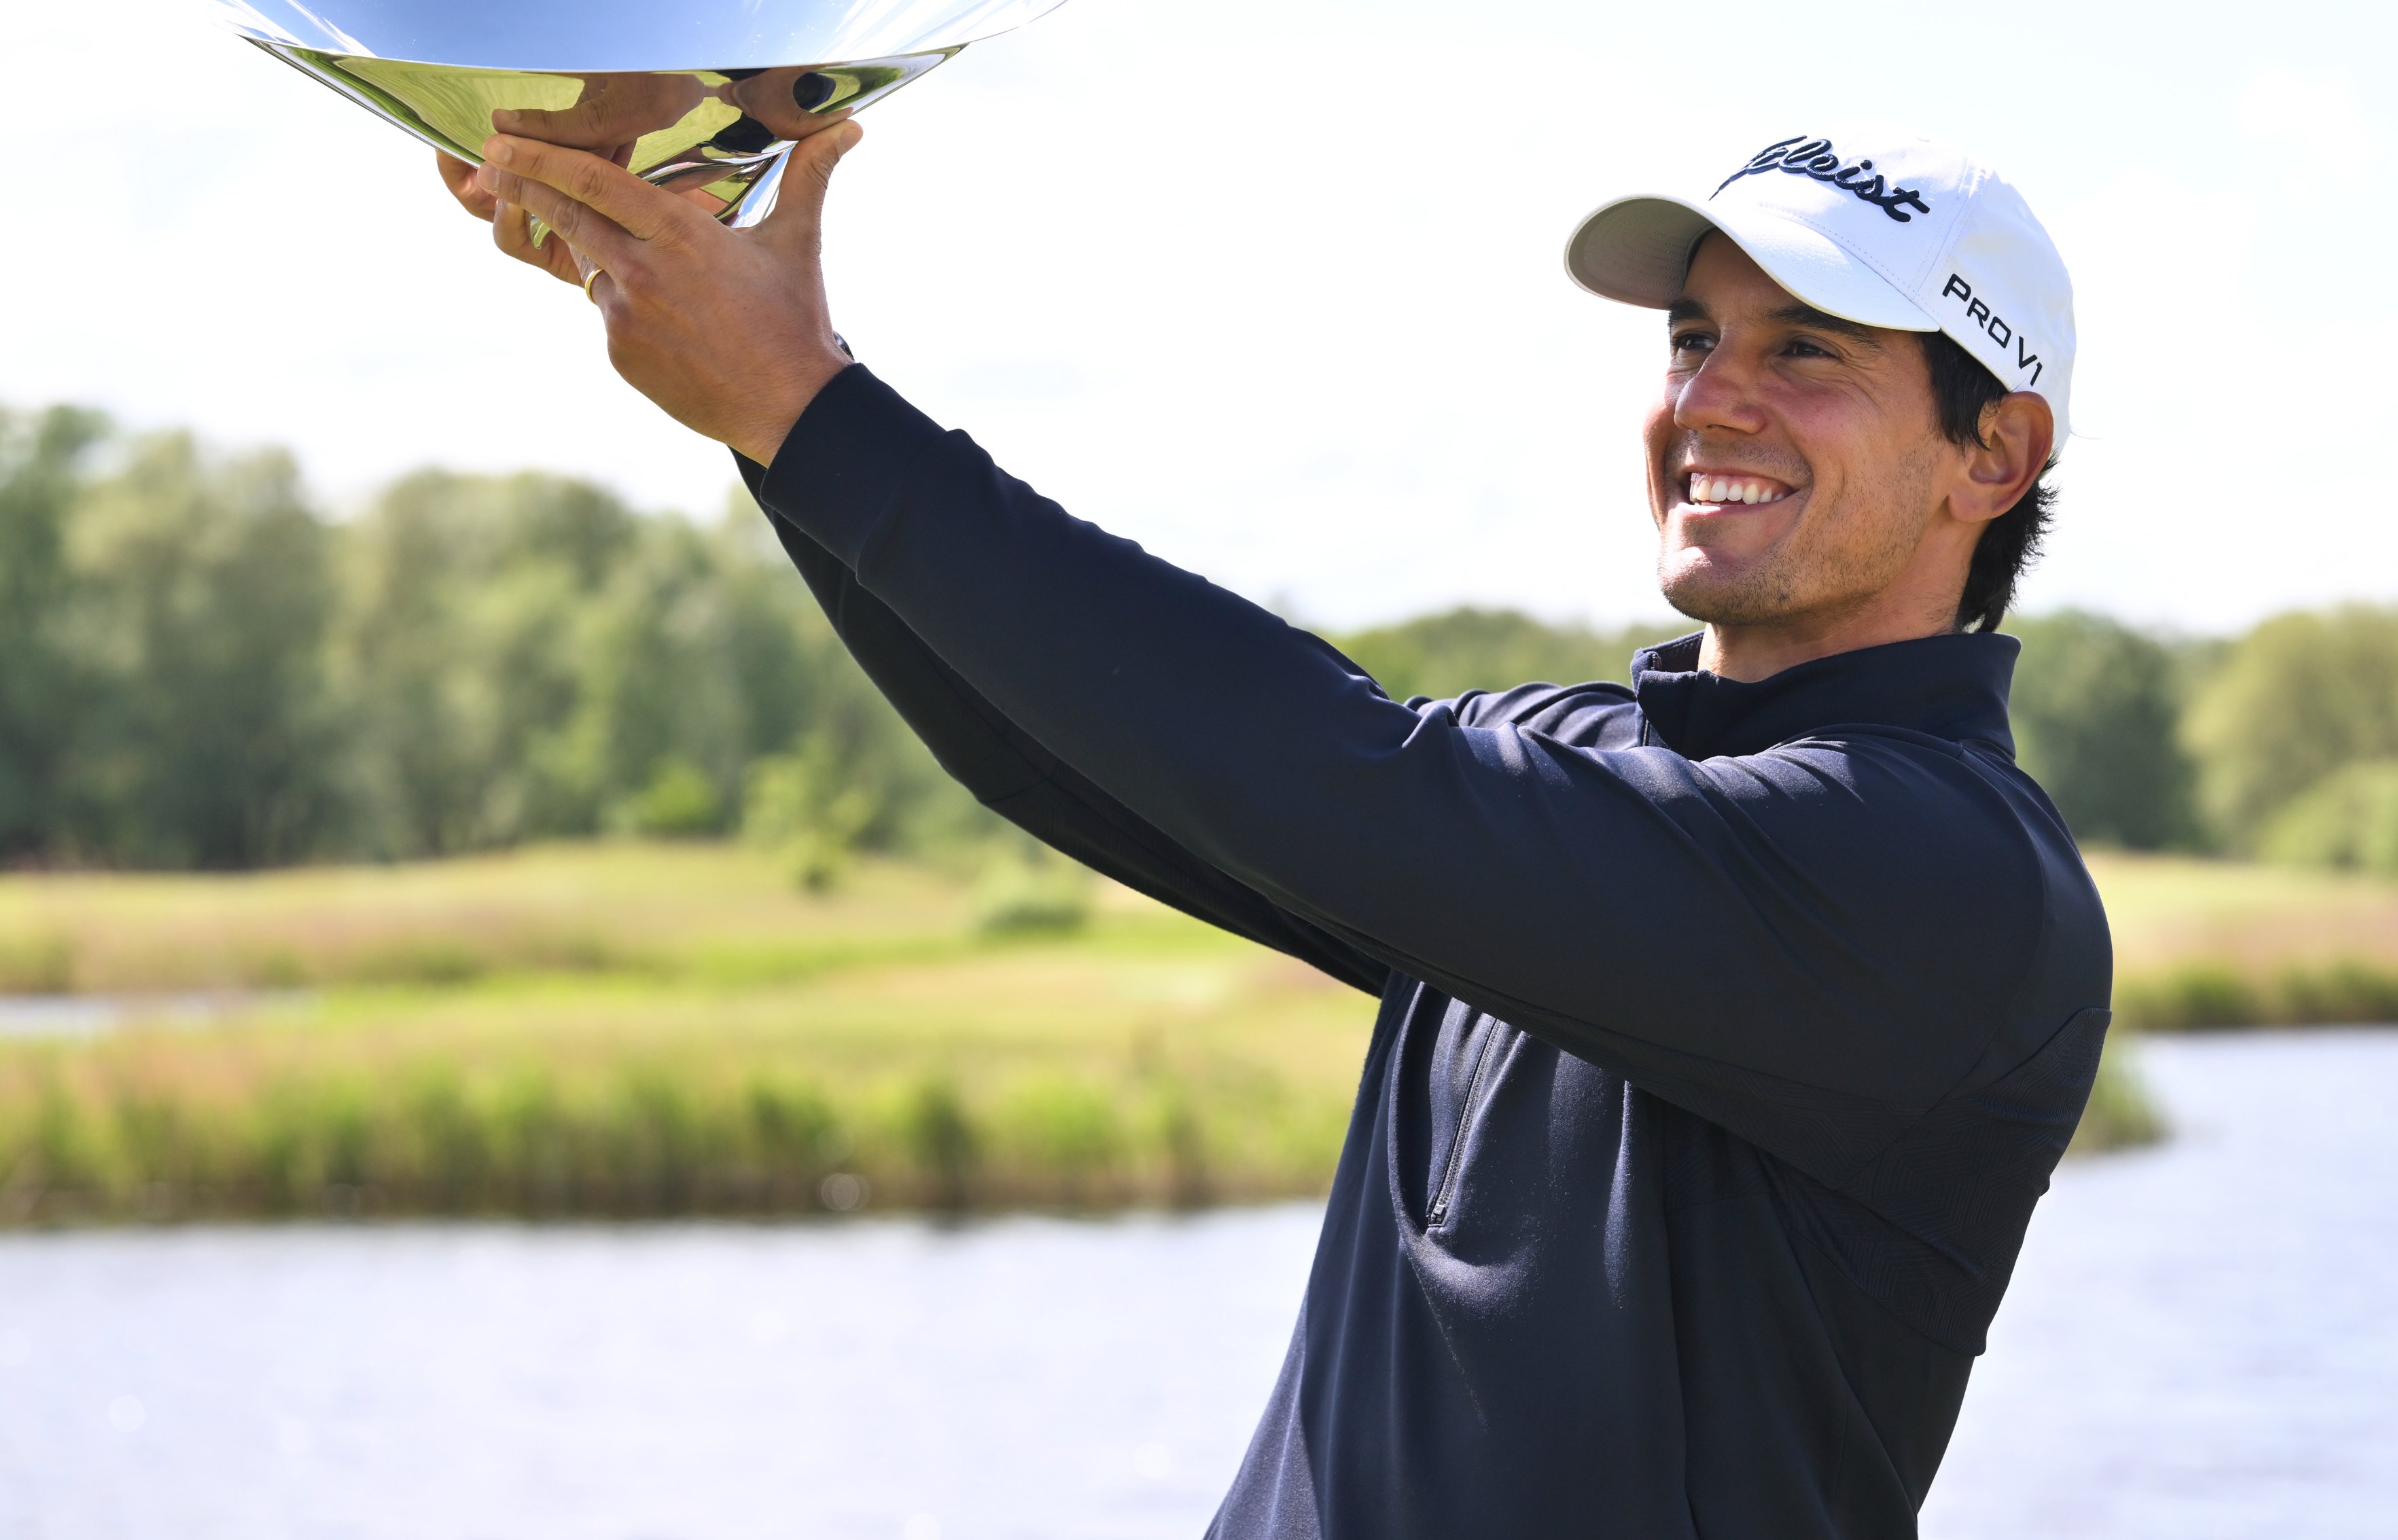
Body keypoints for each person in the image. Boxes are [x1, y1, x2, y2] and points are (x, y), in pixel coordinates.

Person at [438, 118, 2112, 1539]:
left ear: (1993, 453)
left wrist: (813, 405)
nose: (1713, 399)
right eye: (1692, 339)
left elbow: (1321, 774)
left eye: (1804, 349)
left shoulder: (1940, 877)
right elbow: (1089, 760)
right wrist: (760, 410)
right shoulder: (1574, 758)